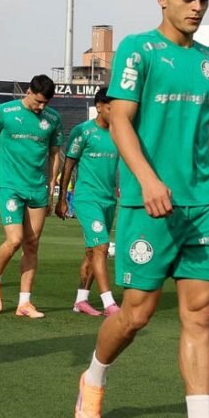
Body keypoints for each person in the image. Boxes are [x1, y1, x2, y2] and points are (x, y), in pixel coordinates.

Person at [72, 0, 209, 418]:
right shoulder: (137, 49)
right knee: (136, 315)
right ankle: (94, 378)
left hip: (201, 207)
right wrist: (148, 181)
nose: (197, 8)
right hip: (147, 204)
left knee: (201, 316)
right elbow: (121, 121)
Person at [0, 75, 63, 319]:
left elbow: (55, 154)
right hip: (10, 186)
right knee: (15, 240)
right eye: (38, 101)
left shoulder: (53, 119)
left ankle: (24, 303)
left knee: (32, 245)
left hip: (38, 189)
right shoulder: (4, 111)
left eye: (46, 103)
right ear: (28, 91)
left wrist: (51, 187)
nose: (42, 107)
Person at [56, 87, 120, 317]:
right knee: (102, 247)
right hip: (86, 198)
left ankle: (81, 301)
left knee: (93, 253)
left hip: (108, 200)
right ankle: (109, 303)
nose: (115, 111)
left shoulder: (119, 133)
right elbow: (69, 165)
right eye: (111, 107)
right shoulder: (83, 132)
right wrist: (62, 198)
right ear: (100, 106)